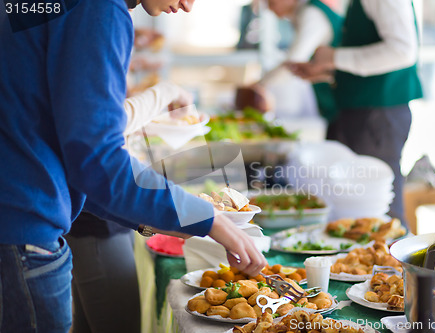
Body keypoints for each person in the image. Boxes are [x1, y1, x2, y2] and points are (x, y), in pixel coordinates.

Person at [0, 0, 267, 332]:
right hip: (20, 233)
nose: (188, 5)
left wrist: (175, 220)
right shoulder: (97, 8)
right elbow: (97, 161)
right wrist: (211, 220)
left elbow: (68, 154)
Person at [67, 81, 193, 333]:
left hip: (97, 215)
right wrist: (168, 90)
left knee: (88, 323)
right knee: (119, 325)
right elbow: (104, 125)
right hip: (93, 222)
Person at [289, 0, 423, 226]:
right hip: (363, 111)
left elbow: (403, 50)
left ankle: (392, 261)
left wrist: (334, 57)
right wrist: (330, 72)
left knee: (379, 211)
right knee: (352, 203)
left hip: (377, 114)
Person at [241, 0, 343, 122]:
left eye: (271, 2)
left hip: (349, 97)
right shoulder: (301, 15)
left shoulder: (311, 14)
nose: (268, 8)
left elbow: (294, 62)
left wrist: (259, 84)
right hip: (334, 96)